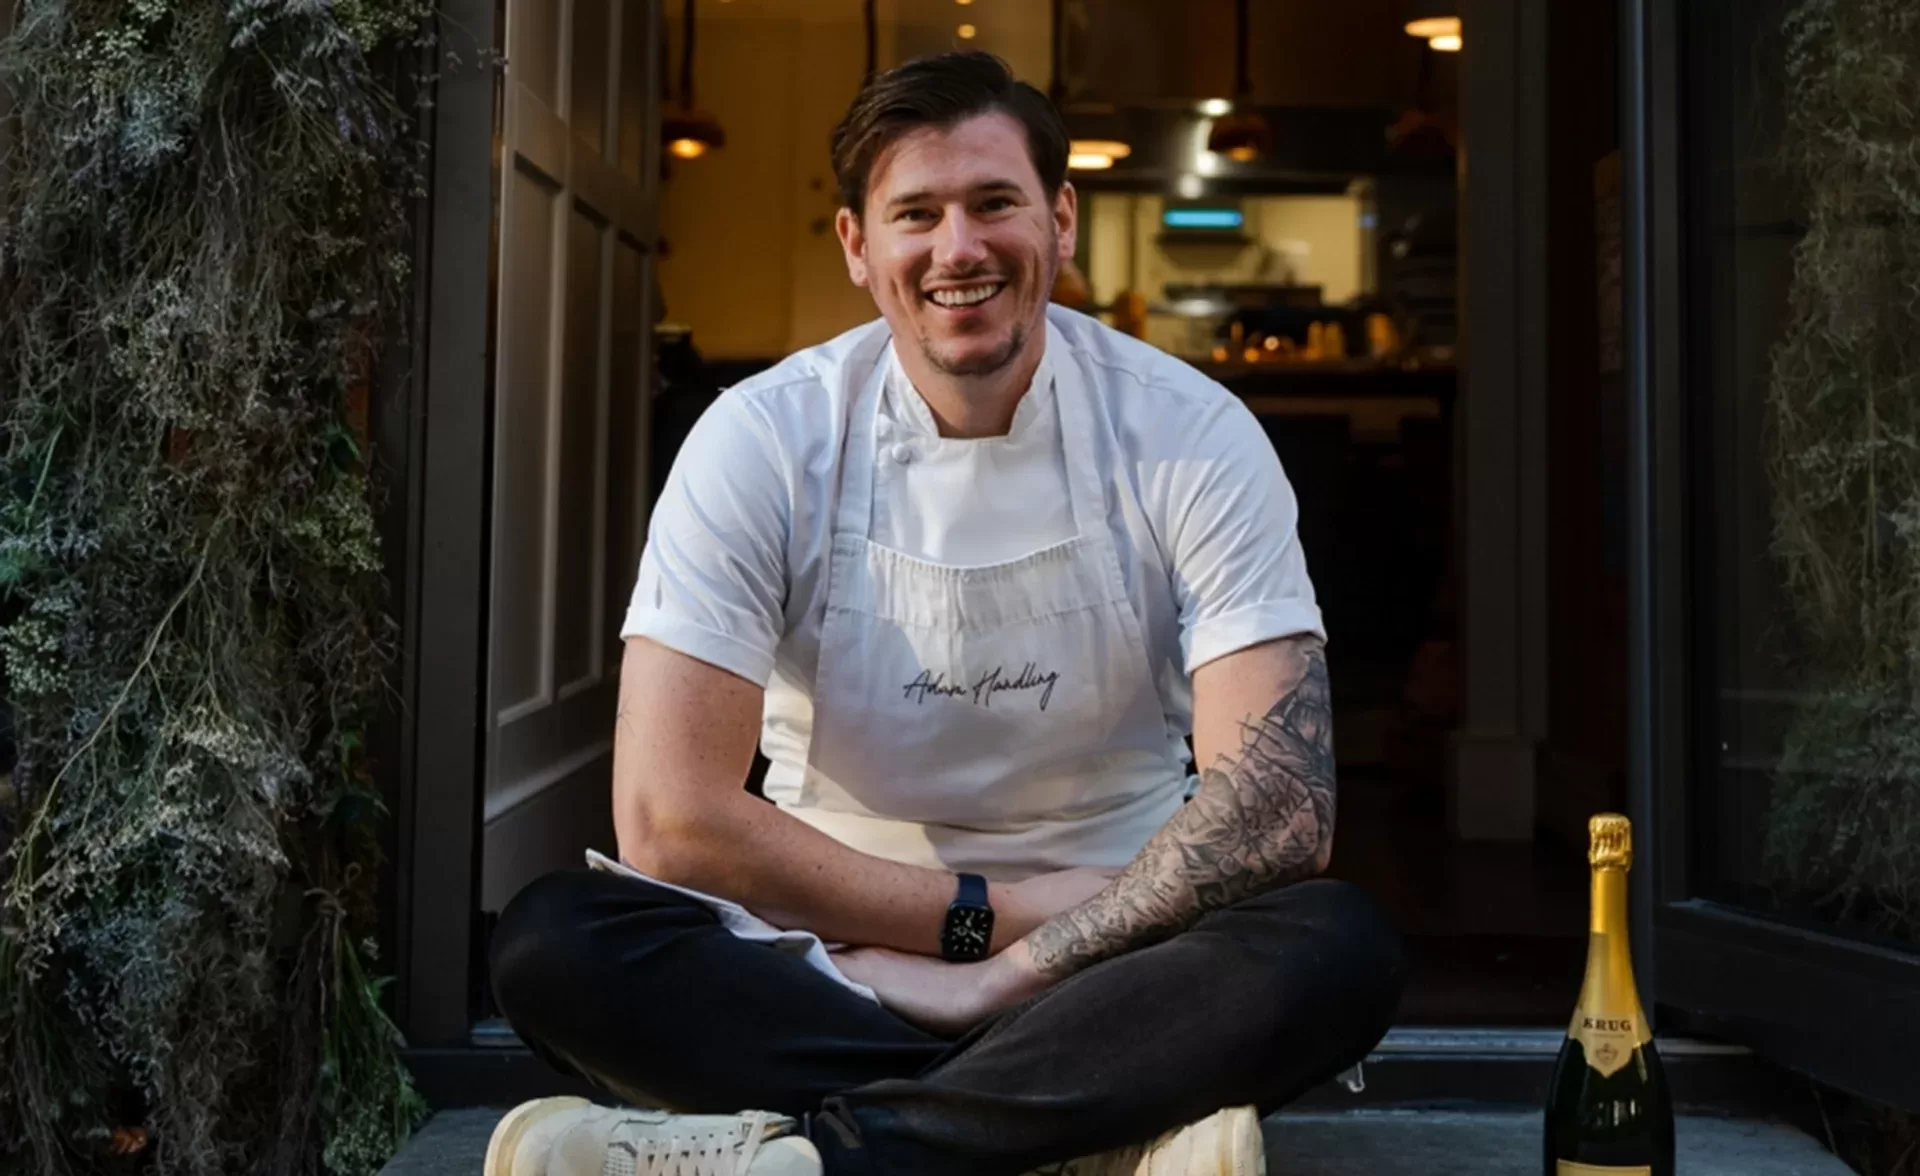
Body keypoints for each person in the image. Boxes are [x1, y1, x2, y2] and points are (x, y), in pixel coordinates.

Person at [484, 51, 1405, 1176]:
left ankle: (824, 1155)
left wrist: (1013, 972)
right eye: (916, 213)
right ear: (857, 246)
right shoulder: (762, 437)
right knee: (555, 943)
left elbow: (1281, 812)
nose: (958, 248)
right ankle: (1083, 1130)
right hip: (831, 951)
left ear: (1060, 220)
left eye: (994, 202)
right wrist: (982, 922)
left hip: (1121, 951)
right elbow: (668, 818)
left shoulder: (1191, 432)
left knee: (1336, 947)